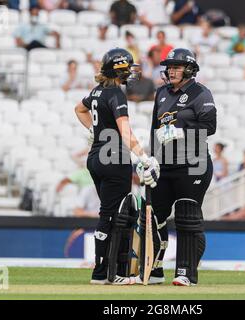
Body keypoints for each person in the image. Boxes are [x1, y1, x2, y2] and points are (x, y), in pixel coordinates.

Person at [74, 48, 160, 285]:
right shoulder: (115, 93)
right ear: (119, 69)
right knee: (115, 216)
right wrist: (144, 156)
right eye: (128, 68)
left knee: (108, 212)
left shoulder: (96, 91)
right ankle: (107, 273)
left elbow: (78, 109)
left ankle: (106, 270)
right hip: (114, 158)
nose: (131, 72)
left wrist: (94, 130)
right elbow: (124, 132)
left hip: (95, 157)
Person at [138, 48, 217, 286]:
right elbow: (155, 130)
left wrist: (182, 131)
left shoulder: (200, 93)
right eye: (169, 66)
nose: (171, 70)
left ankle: (186, 272)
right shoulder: (161, 92)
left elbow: (209, 127)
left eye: (176, 67)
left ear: (189, 70)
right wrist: (149, 160)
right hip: (164, 165)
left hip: (193, 164)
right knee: (152, 218)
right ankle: (154, 269)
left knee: (187, 218)